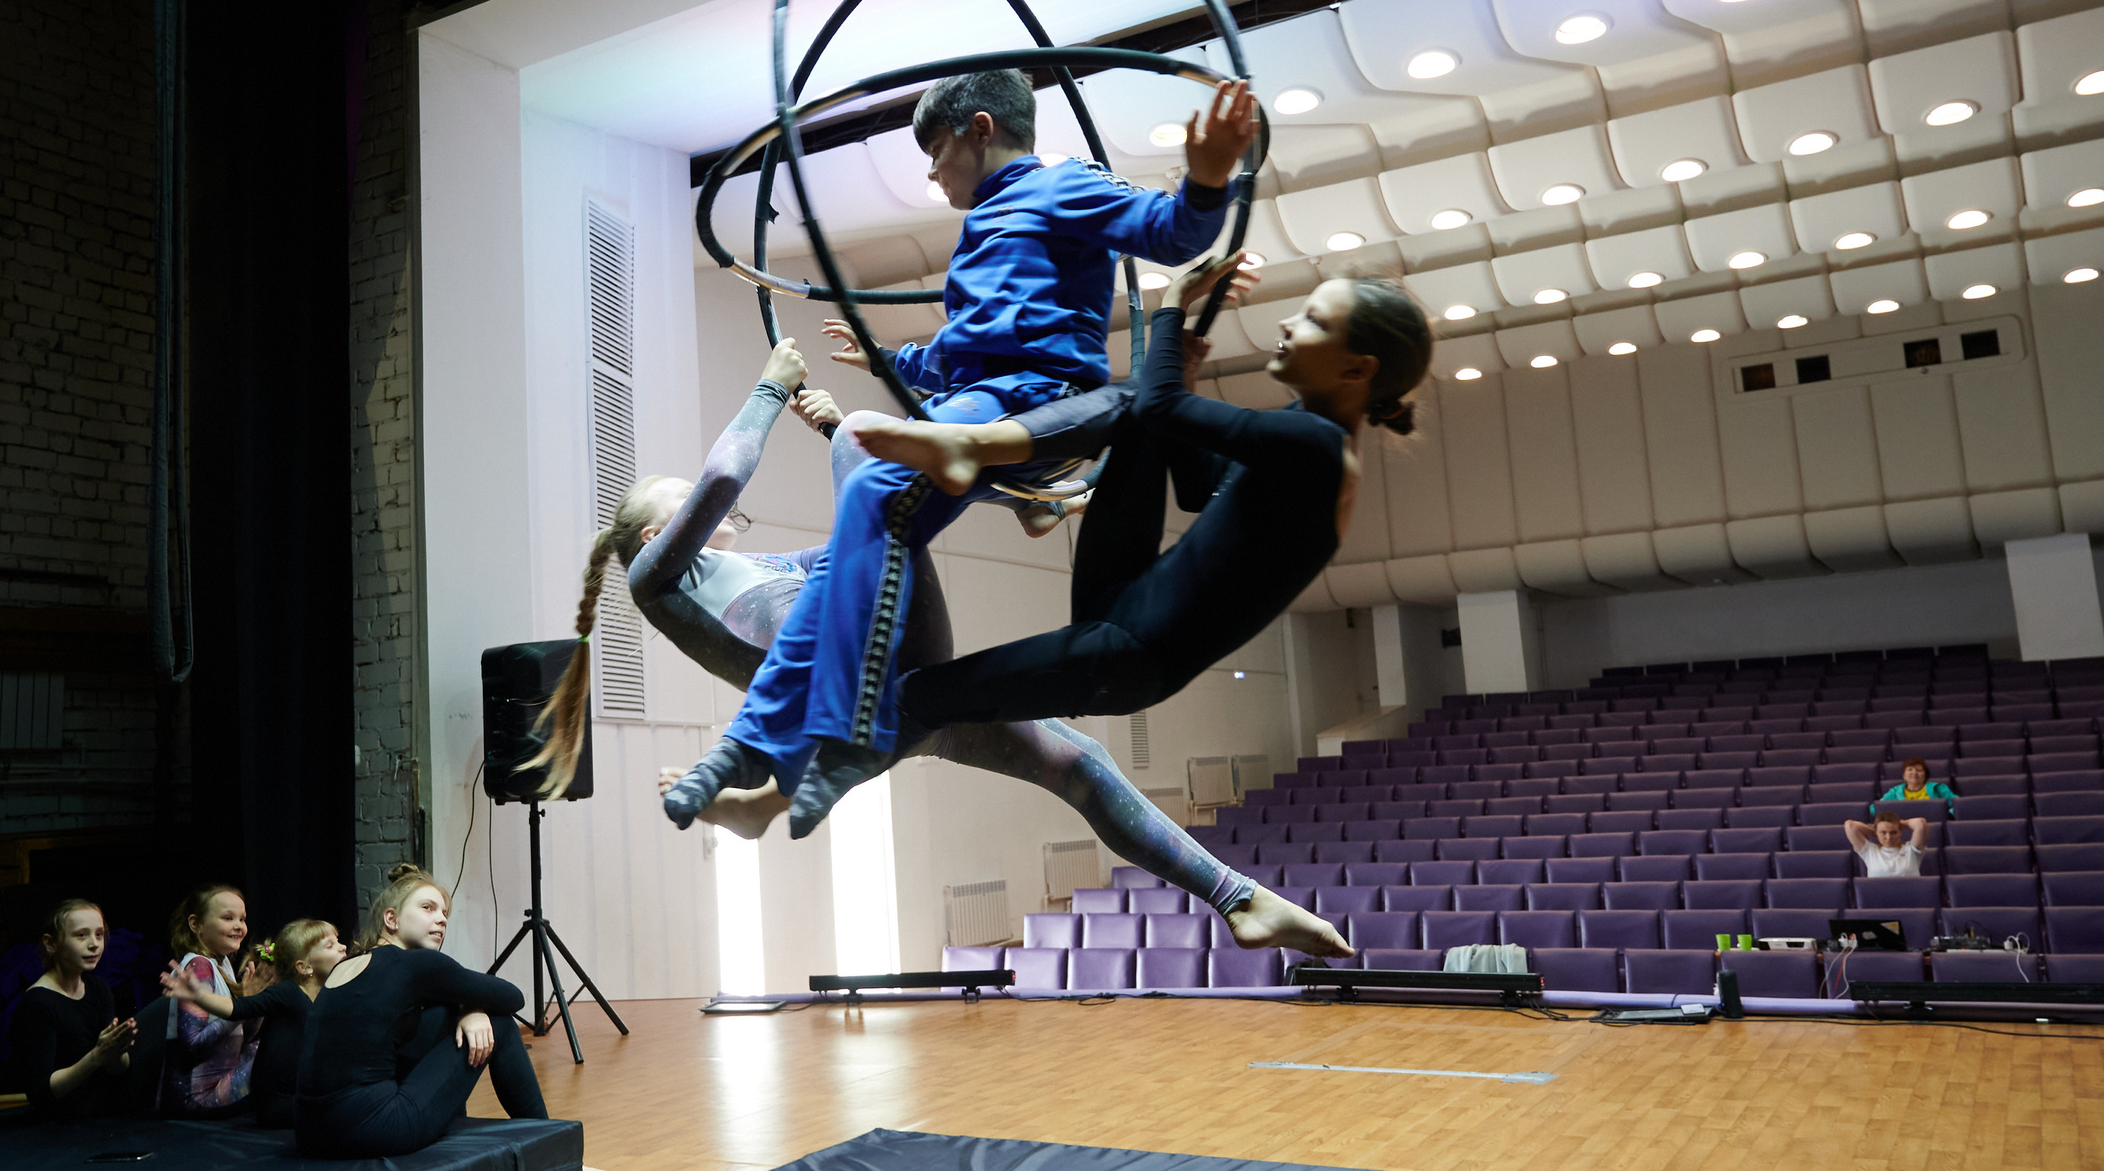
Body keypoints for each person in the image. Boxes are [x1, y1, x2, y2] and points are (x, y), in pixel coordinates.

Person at [524, 336, 1342, 957]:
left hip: (914, 700)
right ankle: (1035, 494)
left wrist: (842, 431)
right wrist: (770, 392)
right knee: (864, 456)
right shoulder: (660, 584)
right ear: (659, 531)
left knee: (1082, 764)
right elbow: (726, 477)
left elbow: (868, 538)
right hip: (878, 698)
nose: (723, 517)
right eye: (691, 508)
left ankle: (1235, 896)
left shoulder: (757, 563)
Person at [661, 71, 1258, 836]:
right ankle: (763, 742)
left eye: (935, 149)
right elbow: (962, 347)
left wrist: (1208, 181)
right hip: (972, 403)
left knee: (874, 481)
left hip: (1038, 405)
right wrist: (885, 360)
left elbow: (1170, 231)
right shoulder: (985, 226)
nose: (931, 170)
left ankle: (813, 737)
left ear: (980, 129)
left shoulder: (1065, 185)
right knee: (860, 501)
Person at [852, 256, 1432, 738]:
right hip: (1122, 596)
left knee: (918, 694)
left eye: (1313, 322)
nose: (1287, 323)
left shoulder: (1319, 448)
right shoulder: (1307, 432)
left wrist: (1173, 302)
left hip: (1126, 655)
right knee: (1139, 407)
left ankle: (979, 448)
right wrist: (1183, 381)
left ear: (1357, 369)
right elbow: (1202, 488)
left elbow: (1161, 406)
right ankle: (1009, 473)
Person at [296, 865, 614, 1171]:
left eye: (444, 912)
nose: (442, 919)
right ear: (390, 920)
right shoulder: (416, 965)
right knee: (499, 1025)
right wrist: (471, 1007)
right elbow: (513, 998)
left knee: (439, 1020)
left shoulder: (348, 966)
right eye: (427, 908)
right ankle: (557, 1159)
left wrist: (462, 1007)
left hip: (313, 1135)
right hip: (376, 1131)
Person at [166, 917, 343, 1129]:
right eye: (331, 946)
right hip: (278, 1105)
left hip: (299, 1095)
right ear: (304, 967)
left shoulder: (326, 998)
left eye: (339, 941)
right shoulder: (288, 993)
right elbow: (239, 1008)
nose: (343, 948)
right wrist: (199, 996)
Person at [8, 897, 137, 1121]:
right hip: (63, 1117)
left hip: (103, 1107)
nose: (94, 943)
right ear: (51, 944)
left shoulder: (98, 988)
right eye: (81, 935)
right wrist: (96, 1056)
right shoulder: (38, 1003)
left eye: (99, 934)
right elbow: (41, 1093)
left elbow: (118, 1070)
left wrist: (115, 1051)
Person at [163, 883, 260, 1116]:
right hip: (197, 1096)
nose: (238, 926)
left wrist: (256, 1004)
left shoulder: (222, 964)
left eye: (242, 919)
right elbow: (193, 1047)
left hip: (219, 1084)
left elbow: (247, 1037)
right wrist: (242, 1006)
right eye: (228, 918)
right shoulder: (199, 966)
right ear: (196, 924)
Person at [1845, 810, 1931, 877]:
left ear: (1900, 832)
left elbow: (1921, 823)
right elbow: (1850, 826)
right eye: (1883, 832)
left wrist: (1900, 823)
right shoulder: (1869, 851)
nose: (1888, 837)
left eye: (1893, 832)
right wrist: (1875, 832)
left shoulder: (1912, 849)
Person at [1874, 757, 1957, 816]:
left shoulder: (1939, 788)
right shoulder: (1895, 792)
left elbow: (1957, 804)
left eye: (1919, 770)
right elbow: (1877, 808)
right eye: (1910, 769)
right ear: (1904, 775)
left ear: (1925, 775)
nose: (1914, 773)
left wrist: (1947, 815)